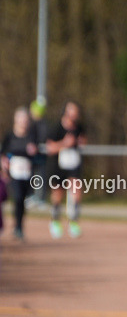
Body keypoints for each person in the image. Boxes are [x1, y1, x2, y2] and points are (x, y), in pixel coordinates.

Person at [45, 101, 87, 239]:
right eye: (72, 111)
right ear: (66, 112)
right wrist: (64, 143)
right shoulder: (56, 127)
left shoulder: (79, 127)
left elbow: (83, 142)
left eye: (76, 111)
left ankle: (74, 221)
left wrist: (81, 142)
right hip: (59, 165)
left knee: (76, 190)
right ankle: (55, 221)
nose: (74, 114)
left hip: (74, 164)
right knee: (58, 194)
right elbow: (50, 148)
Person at [1, 107, 38, 240]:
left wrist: (35, 151)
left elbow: (37, 156)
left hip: (26, 173)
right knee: (16, 198)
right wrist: (4, 162)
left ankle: (19, 226)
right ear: (15, 120)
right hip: (13, 173)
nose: (23, 122)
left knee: (22, 200)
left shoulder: (31, 136)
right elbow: (3, 153)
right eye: (21, 119)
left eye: (25, 119)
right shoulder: (10, 136)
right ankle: (17, 226)